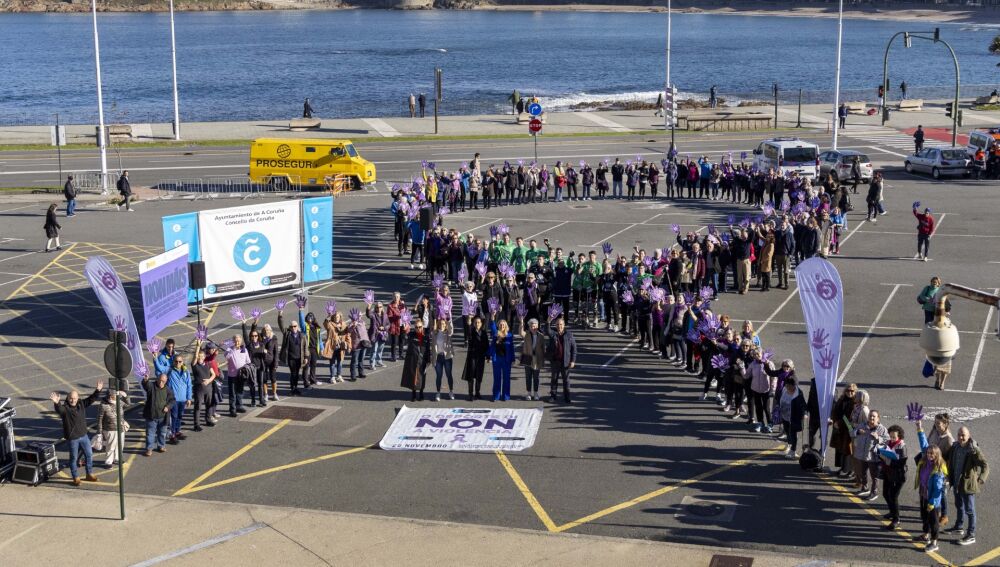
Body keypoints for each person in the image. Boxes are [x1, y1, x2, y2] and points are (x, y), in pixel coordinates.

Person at [50, 380, 103, 485]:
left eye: (74, 398)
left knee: (89, 454)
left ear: (78, 398)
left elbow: (91, 399)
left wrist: (98, 390)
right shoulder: (65, 408)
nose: (72, 400)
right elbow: (60, 410)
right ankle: (75, 477)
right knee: (73, 458)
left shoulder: (81, 404)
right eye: (70, 398)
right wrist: (56, 403)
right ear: (68, 398)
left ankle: (89, 474)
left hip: (84, 436)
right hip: (73, 438)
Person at [944, 426, 989, 546]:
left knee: (970, 511)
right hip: (956, 484)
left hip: (968, 486)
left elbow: (985, 465)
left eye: (963, 435)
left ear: (969, 436)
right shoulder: (955, 447)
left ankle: (971, 534)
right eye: (959, 434)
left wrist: (981, 479)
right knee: (959, 506)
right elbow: (949, 461)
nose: (960, 437)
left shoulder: (973, 450)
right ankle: (959, 527)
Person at [915, 419, 948, 553]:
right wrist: (919, 428)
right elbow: (924, 444)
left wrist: (932, 503)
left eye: (932, 454)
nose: (929, 455)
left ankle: (934, 542)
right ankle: (926, 535)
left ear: (937, 456)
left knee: (933, 521)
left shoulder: (938, 470)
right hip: (924, 493)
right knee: (924, 517)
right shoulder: (926, 460)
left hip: (932, 499)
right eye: (928, 453)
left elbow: (938, 490)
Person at [878, 424, 908, 530]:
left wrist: (888, 460)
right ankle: (892, 511)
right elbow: (881, 455)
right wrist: (881, 454)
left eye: (894, 437)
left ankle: (896, 519)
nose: (892, 439)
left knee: (894, 496)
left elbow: (900, 463)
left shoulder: (902, 447)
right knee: (885, 493)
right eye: (890, 436)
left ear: (899, 436)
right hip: (888, 473)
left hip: (898, 476)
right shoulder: (888, 443)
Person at [854, 409, 888, 501]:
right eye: (870, 416)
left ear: (878, 418)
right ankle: (865, 488)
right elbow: (852, 432)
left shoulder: (882, 429)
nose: (872, 417)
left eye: (874, 416)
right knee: (863, 473)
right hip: (862, 455)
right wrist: (857, 432)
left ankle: (874, 492)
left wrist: (878, 438)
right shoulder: (862, 425)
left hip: (873, 457)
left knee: (874, 476)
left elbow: (887, 441)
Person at [141, 373, 174, 458]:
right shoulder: (152, 386)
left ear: (166, 381)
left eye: (163, 381)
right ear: (157, 379)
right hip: (151, 416)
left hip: (163, 416)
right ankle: (149, 449)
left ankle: (161, 446)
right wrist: (145, 380)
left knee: (162, 433)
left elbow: (172, 400)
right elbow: (146, 386)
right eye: (159, 380)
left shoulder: (168, 390)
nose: (161, 382)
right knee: (150, 433)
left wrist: (168, 406)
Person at [547, 317, 577, 403]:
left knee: (566, 381)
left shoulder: (569, 335)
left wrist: (573, 361)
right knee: (554, 380)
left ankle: (567, 397)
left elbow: (574, 348)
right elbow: (548, 331)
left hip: (566, 362)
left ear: (564, 325)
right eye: (557, 324)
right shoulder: (553, 334)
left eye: (561, 324)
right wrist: (548, 322)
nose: (559, 326)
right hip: (555, 361)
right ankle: (553, 396)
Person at [831, 383, 858, 477]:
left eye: (852, 391)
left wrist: (839, 423)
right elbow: (835, 411)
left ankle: (848, 470)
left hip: (848, 429)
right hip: (839, 428)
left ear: (855, 392)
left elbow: (848, 417)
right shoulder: (842, 399)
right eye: (848, 390)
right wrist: (834, 421)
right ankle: (842, 467)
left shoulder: (855, 403)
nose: (849, 392)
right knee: (840, 449)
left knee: (848, 450)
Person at [95, 388, 127, 468]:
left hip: (120, 427)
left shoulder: (119, 402)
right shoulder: (103, 405)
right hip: (110, 429)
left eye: (113, 396)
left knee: (120, 444)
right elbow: (99, 419)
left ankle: (117, 458)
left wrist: (125, 396)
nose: (111, 398)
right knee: (111, 446)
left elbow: (128, 405)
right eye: (110, 396)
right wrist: (99, 432)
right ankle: (108, 461)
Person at [400, 317, 431, 401]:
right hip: (413, 359)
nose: (418, 329)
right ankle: (413, 394)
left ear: (423, 326)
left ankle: (421, 393)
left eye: (420, 327)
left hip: (422, 359)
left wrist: (429, 360)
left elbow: (428, 349)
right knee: (413, 376)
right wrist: (405, 329)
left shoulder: (426, 337)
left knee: (422, 377)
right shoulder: (411, 335)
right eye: (416, 327)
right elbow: (405, 336)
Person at [190, 339, 217, 431]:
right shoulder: (194, 365)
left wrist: (209, 380)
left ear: (204, 356)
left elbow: (213, 375)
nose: (200, 358)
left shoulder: (208, 364)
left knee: (209, 404)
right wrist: (198, 346)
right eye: (199, 356)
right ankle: (196, 424)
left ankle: (208, 419)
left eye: (202, 356)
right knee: (198, 406)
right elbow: (194, 357)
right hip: (199, 389)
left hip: (208, 388)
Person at [166, 351, 193, 443]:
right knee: (174, 416)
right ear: (173, 362)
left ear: (182, 362)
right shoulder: (170, 371)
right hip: (173, 399)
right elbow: (159, 369)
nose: (178, 363)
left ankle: (177, 431)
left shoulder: (186, 372)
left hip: (183, 398)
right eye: (176, 361)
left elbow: (189, 385)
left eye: (180, 361)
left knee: (180, 416)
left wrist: (189, 398)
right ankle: (172, 433)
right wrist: (155, 359)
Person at [279, 311, 307, 395]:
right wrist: (280, 315)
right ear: (290, 327)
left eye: (295, 326)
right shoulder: (287, 334)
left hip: (299, 358)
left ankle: (295, 387)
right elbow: (281, 326)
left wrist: (306, 357)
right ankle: (293, 388)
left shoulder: (302, 335)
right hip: (291, 358)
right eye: (292, 326)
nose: (294, 328)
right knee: (293, 373)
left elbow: (305, 347)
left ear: (297, 327)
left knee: (297, 373)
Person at [777, 376, 806, 458]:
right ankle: (789, 445)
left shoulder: (798, 393)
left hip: (794, 418)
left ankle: (793, 451)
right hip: (785, 416)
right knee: (787, 432)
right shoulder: (784, 390)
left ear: (795, 385)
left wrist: (804, 413)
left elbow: (803, 405)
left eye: (790, 386)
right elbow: (779, 398)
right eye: (787, 385)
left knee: (793, 434)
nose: (788, 387)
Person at [461, 315, 489, 400]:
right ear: (473, 324)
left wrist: (488, 356)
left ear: (481, 324)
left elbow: (487, 345)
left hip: (481, 357)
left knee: (479, 376)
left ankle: (477, 392)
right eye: (476, 322)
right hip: (472, 357)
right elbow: (469, 333)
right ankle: (470, 394)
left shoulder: (484, 333)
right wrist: (469, 322)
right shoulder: (471, 331)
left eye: (479, 322)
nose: (477, 324)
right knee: (471, 375)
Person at [519, 317, 546, 401]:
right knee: (528, 376)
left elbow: (543, 348)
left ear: (538, 326)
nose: (533, 328)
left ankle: (536, 393)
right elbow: (520, 332)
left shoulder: (541, 336)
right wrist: (521, 322)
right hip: (527, 357)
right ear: (529, 327)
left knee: (536, 377)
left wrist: (543, 359)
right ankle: (528, 393)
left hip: (537, 358)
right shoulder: (526, 334)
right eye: (532, 326)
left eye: (535, 326)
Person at [489, 317, 515, 402]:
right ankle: (496, 396)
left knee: (506, 378)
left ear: (506, 326)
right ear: (498, 326)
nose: (502, 326)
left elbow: (512, 348)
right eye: (500, 324)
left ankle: (506, 396)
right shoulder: (496, 334)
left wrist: (513, 359)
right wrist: (492, 318)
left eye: (503, 325)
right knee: (497, 378)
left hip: (506, 360)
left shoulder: (510, 335)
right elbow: (492, 327)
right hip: (497, 359)